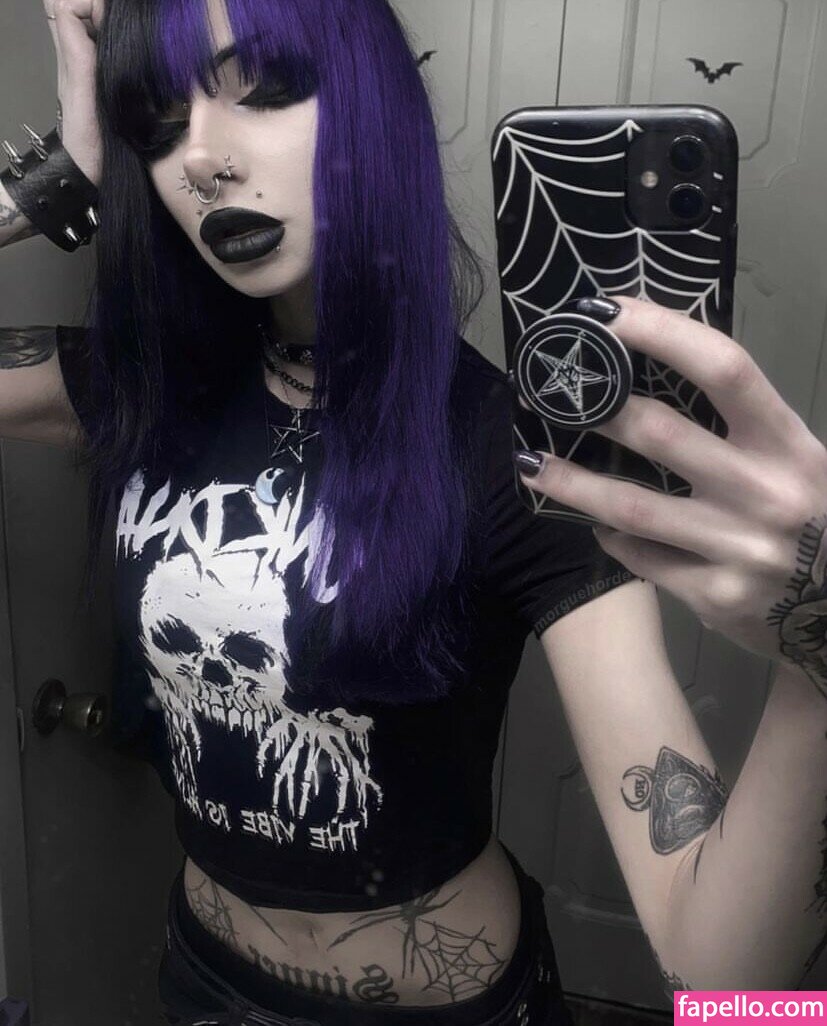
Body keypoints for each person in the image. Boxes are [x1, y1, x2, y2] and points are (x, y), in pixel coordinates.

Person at [1, 0, 826, 1023]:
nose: (202, 160)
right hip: (200, 981)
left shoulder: (509, 456)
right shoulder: (144, 392)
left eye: (265, 91)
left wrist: (817, 652)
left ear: (369, 107)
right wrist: (63, 175)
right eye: (158, 128)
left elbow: (729, 989)